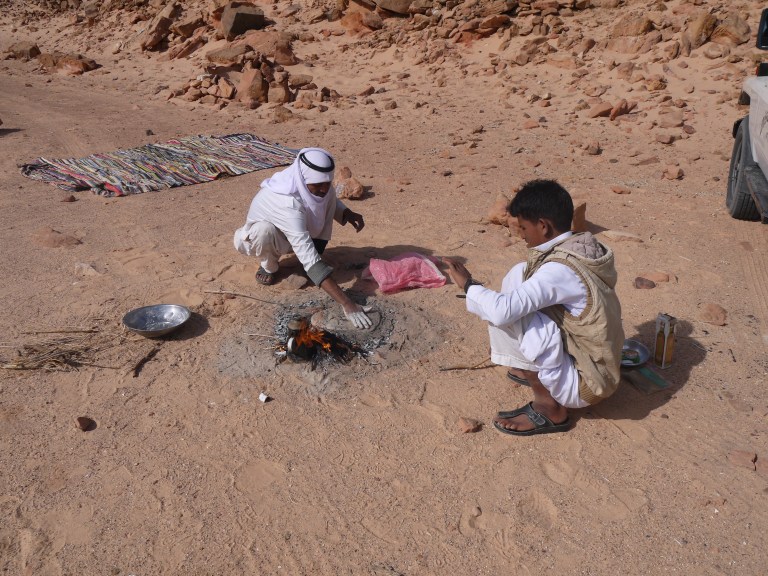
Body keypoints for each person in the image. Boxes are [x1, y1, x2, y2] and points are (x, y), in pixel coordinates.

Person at [443, 179, 624, 436]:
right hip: (600, 365)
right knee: (520, 275)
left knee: (512, 313)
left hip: (587, 384)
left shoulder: (559, 271)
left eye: (524, 227)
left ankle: (549, 406)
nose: (520, 234)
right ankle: (526, 368)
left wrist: (468, 285)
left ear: (543, 226)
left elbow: (501, 311)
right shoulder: (580, 246)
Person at [233, 147, 372, 329]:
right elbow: (306, 252)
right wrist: (347, 303)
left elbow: (330, 199)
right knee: (264, 231)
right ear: (303, 178)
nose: (323, 188)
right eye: (318, 184)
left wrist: (347, 213)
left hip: (292, 233)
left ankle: (312, 265)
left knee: (327, 197)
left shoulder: (316, 186)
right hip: (259, 239)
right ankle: (269, 265)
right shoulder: (286, 201)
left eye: (327, 182)